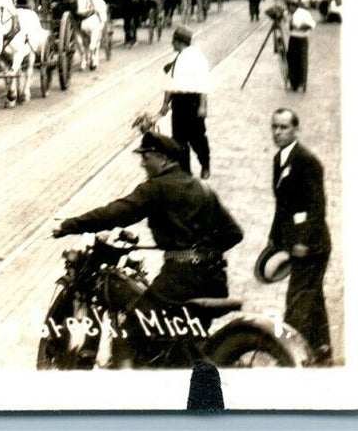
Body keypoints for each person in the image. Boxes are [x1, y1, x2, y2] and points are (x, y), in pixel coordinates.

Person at [53, 131, 243, 367]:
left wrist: (69, 225)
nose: (142, 162)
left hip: (180, 282)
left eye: (146, 156)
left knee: (128, 334)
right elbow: (234, 233)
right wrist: (202, 250)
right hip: (215, 281)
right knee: (176, 340)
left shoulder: (156, 188)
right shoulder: (202, 188)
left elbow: (115, 213)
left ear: (162, 158)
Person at [265, 108, 332, 364]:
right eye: (275, 127)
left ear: (295, 130)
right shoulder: (278, 160)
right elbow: (282, 206)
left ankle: (289, 356)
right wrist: (274, 238)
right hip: (294, 243)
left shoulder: (306, 161)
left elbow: (318, 207)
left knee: (297, 300)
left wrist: (304, 240)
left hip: (313, 246)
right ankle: (322, 348)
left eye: (284, 127)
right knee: (311, 296)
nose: (278, 132)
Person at [156, 25, 212, 179]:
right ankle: (185, 172)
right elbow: (169, 83)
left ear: (178, 41)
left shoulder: (196, 57)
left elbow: (203, 82)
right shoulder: (174, 57)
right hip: (178, 103)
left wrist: (202, 105)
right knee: (179, 140)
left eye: (173, 40)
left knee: (197, 138)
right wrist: (165, 104)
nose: (171, 44)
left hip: (193, 101)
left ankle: (205, 165)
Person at [283, 0, 316, 92]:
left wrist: (299, 27)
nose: (289, 8)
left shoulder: (303, 13)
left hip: (302, 38)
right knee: (291, 60)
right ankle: (294, 83)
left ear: (295, 6)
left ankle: (302, 83)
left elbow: (311, 25)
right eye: (288, 6)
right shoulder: (288, 14)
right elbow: (286, 26)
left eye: (291, 6)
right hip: (293, 38)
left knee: (301, 61)